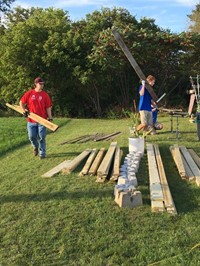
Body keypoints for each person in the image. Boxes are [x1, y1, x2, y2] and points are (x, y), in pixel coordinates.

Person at [19, 77, 53, 159]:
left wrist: (50, 117)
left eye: (42, 84)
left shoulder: (45, 95)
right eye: (40, 84)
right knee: (32, 137)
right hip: (31, 120)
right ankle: (35, 147)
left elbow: (48, 107)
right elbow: (21, 103)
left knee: (42, 137)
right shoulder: (30, 93)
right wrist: (24, 111)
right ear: (35, 84)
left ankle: (42, 153)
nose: (42, 85)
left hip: (42, 120)